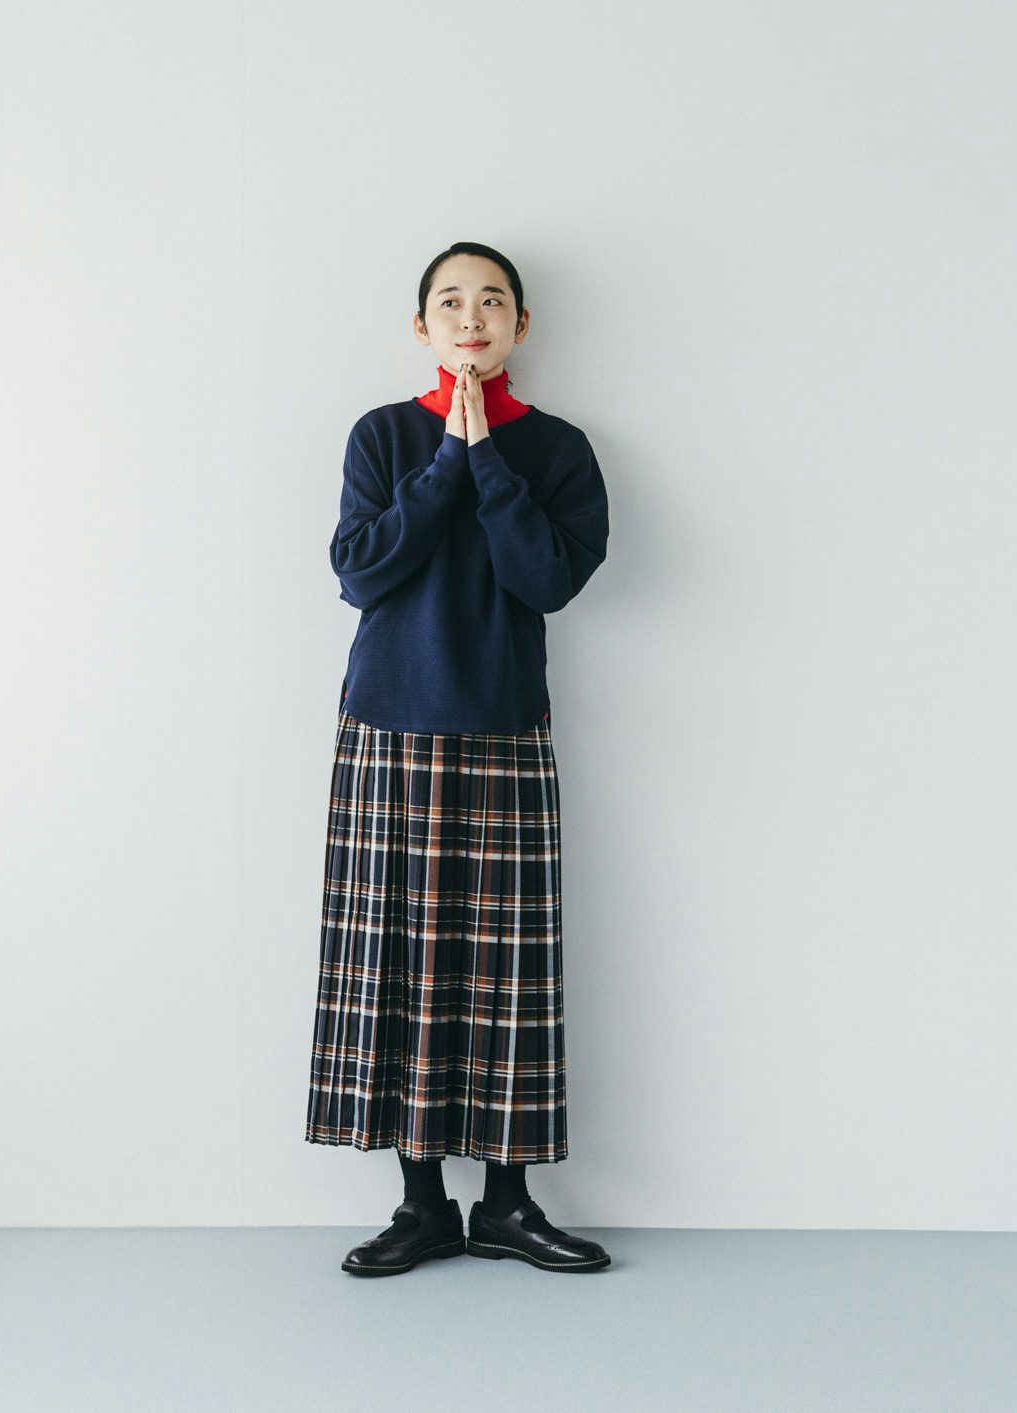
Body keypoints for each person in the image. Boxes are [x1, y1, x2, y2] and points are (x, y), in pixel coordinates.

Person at [305, 241, 611, 1276]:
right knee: (398, 966)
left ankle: (509, 1206)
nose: (470, 317)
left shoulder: (557, 449)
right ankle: (422, 1203)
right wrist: (445, 455)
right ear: (421, 326)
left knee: (508, 973)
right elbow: (361, 571)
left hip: (503, 726)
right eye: (449, 301)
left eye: (491, 301)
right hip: (387, 727)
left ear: (520, 324)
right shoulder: (382, 435)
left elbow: (546, 580)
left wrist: (485, 458)